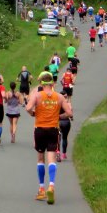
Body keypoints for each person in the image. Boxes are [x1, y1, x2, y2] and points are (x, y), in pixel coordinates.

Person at [26, 72, 72, 205]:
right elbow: (69, 113)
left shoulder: (37, 95)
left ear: (41, 83)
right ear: (52, 84)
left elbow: (28, 108)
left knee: (40, 158)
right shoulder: (59, 97)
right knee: (51, 158)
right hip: (53, 129)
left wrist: (33, 113)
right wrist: (59, 117)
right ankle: (51, 185)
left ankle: (41, 189)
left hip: (40, 129)